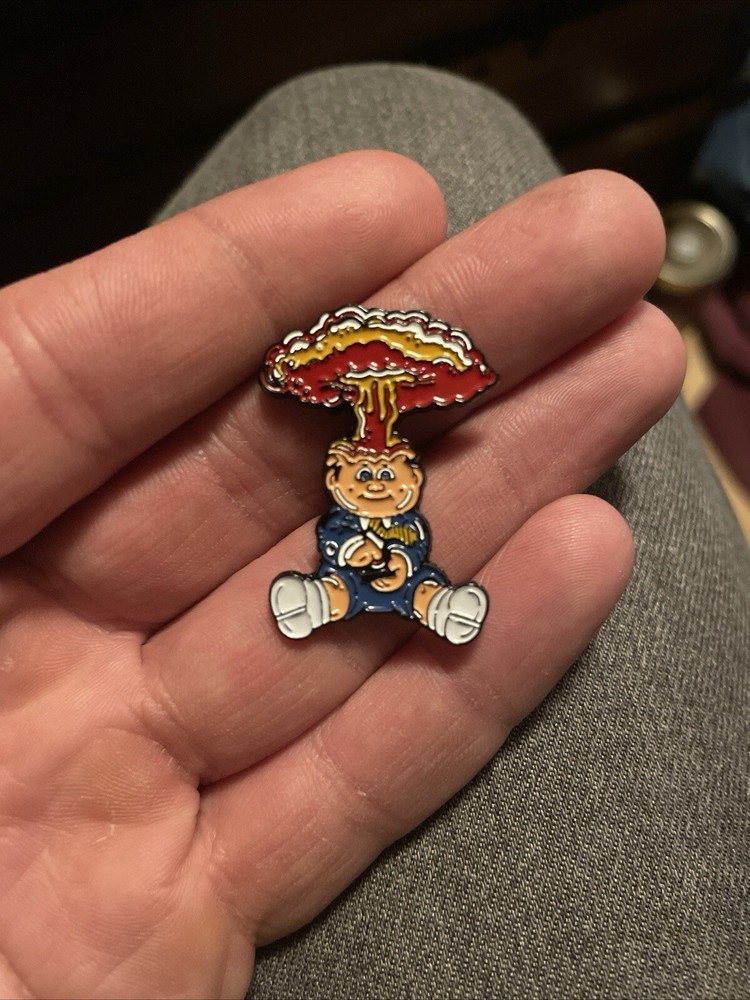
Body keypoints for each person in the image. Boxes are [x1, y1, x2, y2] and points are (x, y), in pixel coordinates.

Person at [0, 64, 746, 999]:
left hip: (401, 568)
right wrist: (355, 547)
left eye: (387, 474)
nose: (379, 480)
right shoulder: (343, 494)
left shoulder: (402, 490)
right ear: (342, 475)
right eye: (365, 474)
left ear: (404, 475)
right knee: (348, 572)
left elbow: (403, 521)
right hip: (350, 567)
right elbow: (347, 515)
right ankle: (331, 602)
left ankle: (427, 606)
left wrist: (394, 548)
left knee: (422, 580)